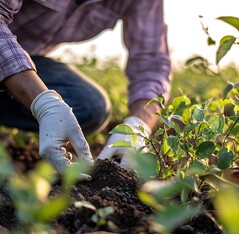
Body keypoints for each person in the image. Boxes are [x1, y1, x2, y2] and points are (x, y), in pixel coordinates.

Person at [0, 0, 171, 179]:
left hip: (21, 56)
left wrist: (138, 124)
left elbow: (151, 64)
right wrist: (42, 102)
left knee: (88, 105)